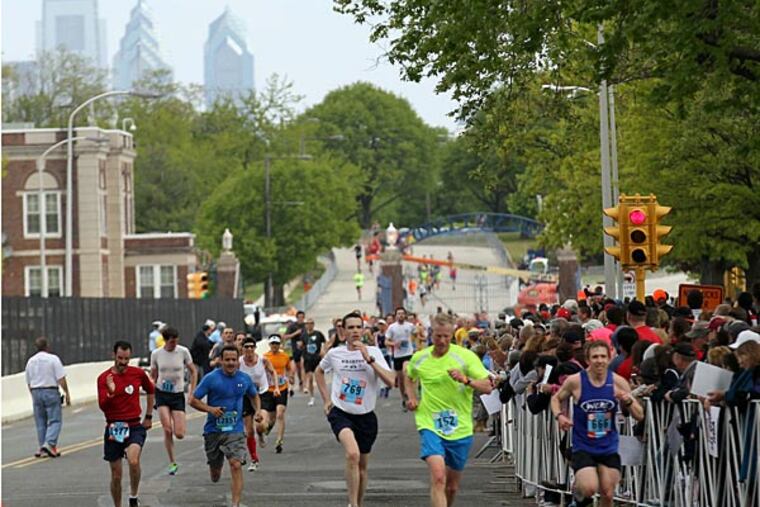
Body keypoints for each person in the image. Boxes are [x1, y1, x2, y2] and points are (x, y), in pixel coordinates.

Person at [404, 312, 494, 507]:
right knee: (438, 477)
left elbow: (488, 386)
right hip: (429, 422)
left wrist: (466, 380)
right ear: (431, 334)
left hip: (459, 426)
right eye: (438, 336)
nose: (442, 340)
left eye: (446, 336)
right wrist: (411, 397)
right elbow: (408, 376)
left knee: (451, 486)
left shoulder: (465, 357)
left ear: (453, 334)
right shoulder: (420, 358)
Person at [315, 311, 395, 507]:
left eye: (358, 327)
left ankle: (358, 502)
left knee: (361, 467)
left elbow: (391, 381)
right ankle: (352, 504)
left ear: (364, 329)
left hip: (366, 416)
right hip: (341, 412)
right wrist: (326, 400)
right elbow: (318, 372)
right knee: (352, 454)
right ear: (343, 331)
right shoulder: (335, 353)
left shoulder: (374, 352)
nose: (355, 331)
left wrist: (368, 359)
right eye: (350, 328)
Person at [550, 340, 644, 507]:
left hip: (609, 446)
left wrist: (627, 400)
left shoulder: (618, 382)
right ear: (588, 360)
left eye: (603, 356)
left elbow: (639, 415)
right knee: (589, 488)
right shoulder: (576, 381)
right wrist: (559, 416)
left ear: (609, 358)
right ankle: (579, 497)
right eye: (595, 357)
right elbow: (556, 399)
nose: (599, 360)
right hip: (584, 446)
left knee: (608, 493)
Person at [189, 345, 261, 507]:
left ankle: (235, 504)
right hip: (213, 431)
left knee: (236, 464)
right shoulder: (211, 378)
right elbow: (193, 400)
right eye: (227, 360)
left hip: (235, 430)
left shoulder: (244, 378)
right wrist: (210, 409)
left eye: (234, 360)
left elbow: (254, 396)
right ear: (220, 360)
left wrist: (257, 411)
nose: (230, 363)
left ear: (238, 361)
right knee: (215, 474)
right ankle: (215, 466)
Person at [97, 341, 155, 507]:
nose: (123, 363)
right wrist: (111, 392)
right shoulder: (104, 378)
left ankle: (133, 496)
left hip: (134, 425)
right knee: (116, 475)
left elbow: (151, 390)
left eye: (127, 359)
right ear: (113, 355)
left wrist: (149, 415)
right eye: (120, 358)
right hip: (114, 427)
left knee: (133, 460)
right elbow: (103, 405)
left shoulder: (137, 373)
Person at [149, 326, 197, 475]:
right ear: (165, 340)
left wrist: (192, 391)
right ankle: (172, 462)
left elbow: (193, 371)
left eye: (176, 342)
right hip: (162, 393)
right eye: (171, 342)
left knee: (180, 433)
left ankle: (176, 440)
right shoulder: (156, 354)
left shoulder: (183, 352)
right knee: (167, 429)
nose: (174, 344)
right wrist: (150, 390)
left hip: (177, 394)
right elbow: (154, 374)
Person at [25, 336, 71, 458]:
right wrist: (66, 393)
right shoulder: (53, 359)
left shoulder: (31, 361)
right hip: (50, 390)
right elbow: (61, 378)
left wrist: (33, 395)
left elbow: (28, 382)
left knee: (40, 422)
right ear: (47, 346)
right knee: (55, 420)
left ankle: (42, 447)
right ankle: (49, 443)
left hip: (36, 391)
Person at [238, 337, 274, 471]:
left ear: (255, 348)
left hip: (262, 394)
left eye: (251, 346)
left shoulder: (262, 360)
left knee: (260, 425)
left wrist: (275, 386)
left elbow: (272, 372)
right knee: (249, 431)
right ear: (242, 348)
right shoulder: (239, 362)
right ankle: (254, 459)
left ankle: (261, 434)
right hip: (246, 397)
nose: (249, 349)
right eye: (246, 347)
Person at [260, 335, 294, 453]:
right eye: (273, 344)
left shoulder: (284, 356)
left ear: (279, 345)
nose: (275, 346)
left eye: (277, 344)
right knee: (271, 418)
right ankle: (269, 427)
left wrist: (290, 377)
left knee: (280, 413)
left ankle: (279, 440)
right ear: (269, 345)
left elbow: (289, 368)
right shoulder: (265, 357)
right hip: (268, 389)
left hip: (282, 388)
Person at [385, 307, 416, 411]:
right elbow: (386, 342)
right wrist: (394, 344)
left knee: (406, 372)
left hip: (408, 353)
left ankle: (411, 395)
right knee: (401, 380)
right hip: (397, 355)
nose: (401, 315)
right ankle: (404, 397)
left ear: (405, 315)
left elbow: (418, 333)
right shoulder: (392, 327)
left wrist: (417, 341)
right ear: (396, 315)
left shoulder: (410, 326)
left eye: (402, 314)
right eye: (398, 314)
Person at [302, 318, 326, 406]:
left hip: (317, 359)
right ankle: (311, 397)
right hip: (308, 359)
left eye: (311, 323)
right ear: (305, 325)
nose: (309, 325)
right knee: (310, 377)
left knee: (320, 378)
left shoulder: (318, 334)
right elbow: (302, 345)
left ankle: (325, 397)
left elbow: (324, 343)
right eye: (308, 323)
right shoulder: (303, 335)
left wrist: (323, 350)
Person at [283, 311, 306, 392]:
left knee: (303, 365)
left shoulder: (305, 326)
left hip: (304, 349)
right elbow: (285, 336)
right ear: (297, 318)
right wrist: (296, 333)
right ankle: (297, 382)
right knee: (296, 368)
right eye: (299, 317)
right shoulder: (292, 326)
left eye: (302, 317)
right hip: (294, 349)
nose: (301, 319)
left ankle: (304, 385)